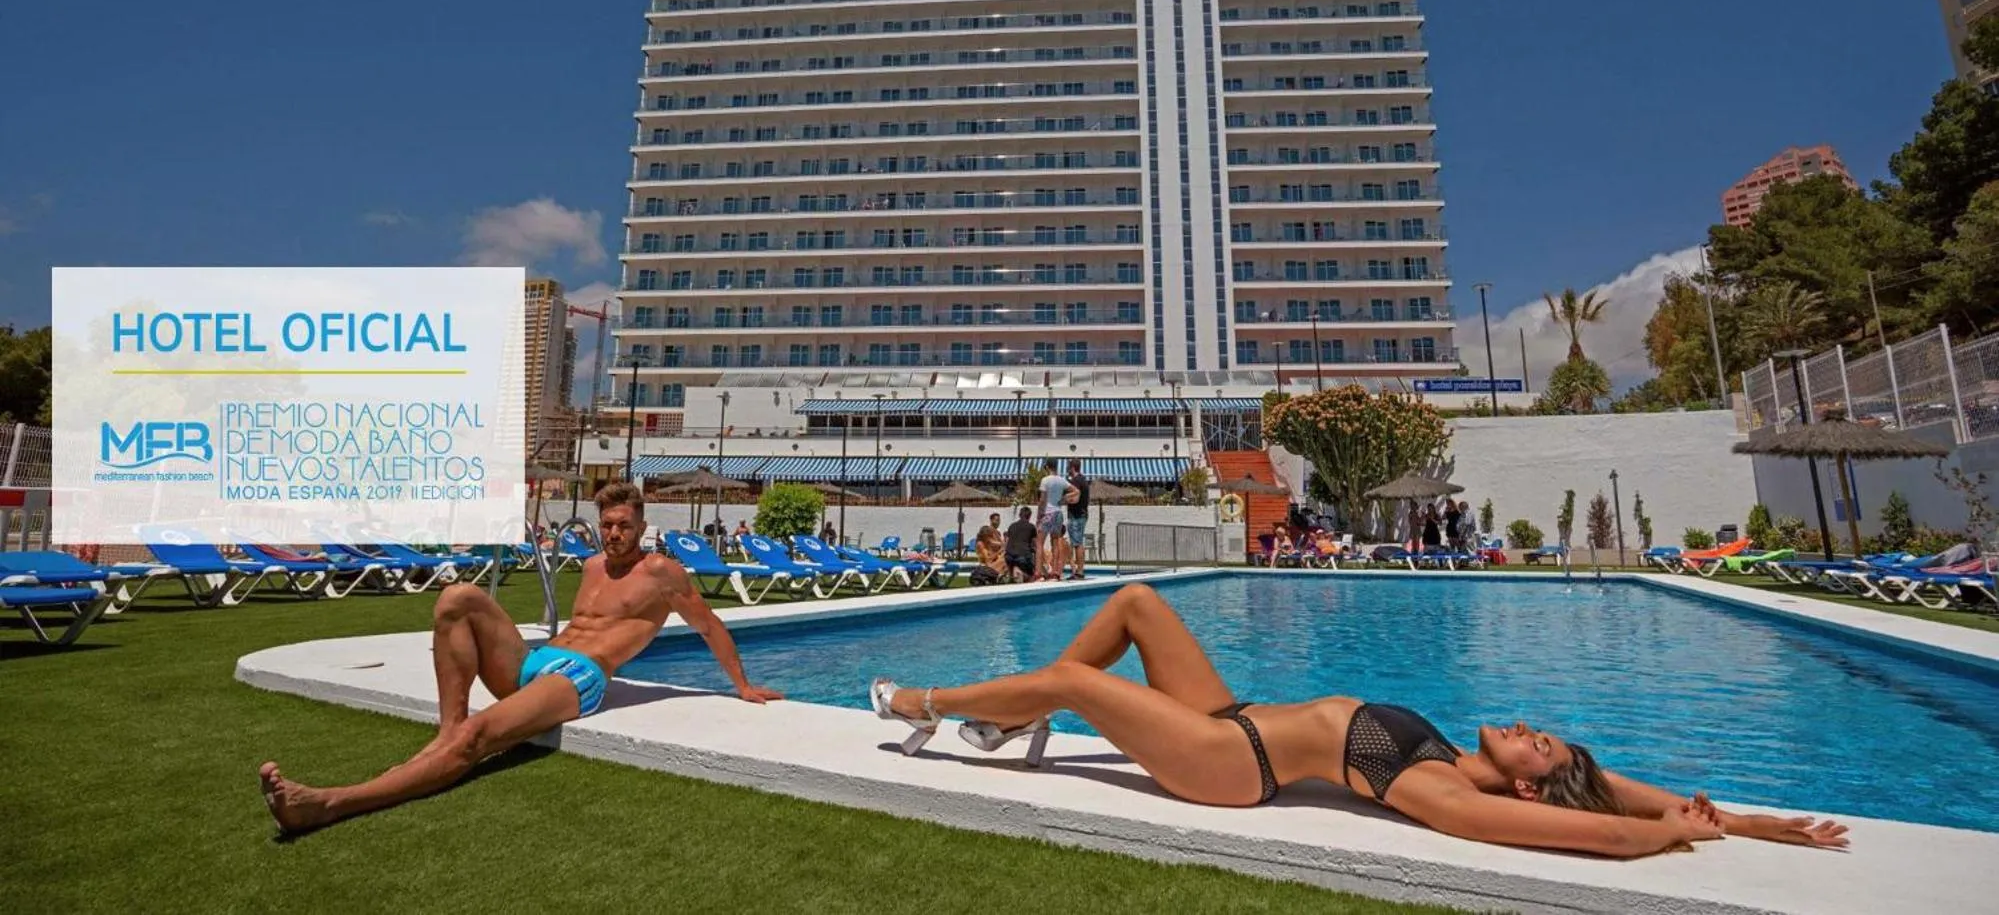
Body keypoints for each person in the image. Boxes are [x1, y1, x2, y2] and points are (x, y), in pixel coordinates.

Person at [869, 585, 1849, 857]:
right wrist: (1739, 820)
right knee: (1135, 603)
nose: (1525, 723)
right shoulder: (1472, 758)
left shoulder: (1439, 791)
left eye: (1534, 741)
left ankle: (931, 707)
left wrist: (1651, 841)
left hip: (1222, 763)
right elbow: (1604, 784)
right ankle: (1007, 722)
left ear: (1519, 778)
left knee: (1074, 685)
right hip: (1236, 716)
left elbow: (1580, 820)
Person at [257, 481, 784, 835]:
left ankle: (327, 804)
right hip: (536, 663)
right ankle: (448, 728)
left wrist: (741, 685)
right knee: (457, 598)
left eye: (624, 524)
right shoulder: (594, 565)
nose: (615, 533)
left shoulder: (662, 573)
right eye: (608, 524)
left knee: (477, 741)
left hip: (578, 680)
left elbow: (709, 625)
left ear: (641, 526)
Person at [1035, 458, 1076, 582]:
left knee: (1039, 543)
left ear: (1047, 467)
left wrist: (1039, 516)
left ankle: (1038, 574)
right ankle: (1055, 573)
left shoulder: (1045, 480)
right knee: (1055, 543)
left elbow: (1042, 500)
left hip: (1047, 513)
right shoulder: (1062, 480)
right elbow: (1076, 491)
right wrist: (1064, 498)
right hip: (1058, 513)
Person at [1063, 459, 1091, 581]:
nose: (1067, 468)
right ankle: (1080, 570)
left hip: (1076, 516)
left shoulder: (1076, 481)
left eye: (1068, 466)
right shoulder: (1083, 480)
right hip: (1082, 514)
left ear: (1072, 467)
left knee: (1077, 543)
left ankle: (1079, 572)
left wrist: (1064, 500)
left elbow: (1076, 498)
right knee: (1078, 543)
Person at [1002, 505, 1038, 583]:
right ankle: (1021, 574)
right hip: (1022, 557)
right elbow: (1035, 545)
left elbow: (1006, 542)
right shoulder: (1031, 527)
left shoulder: (1012, 526)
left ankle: (1010, 575)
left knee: (1014, 564)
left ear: (1019, 515)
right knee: (1032, 576)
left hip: (1008, 556)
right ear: (1029, 516)